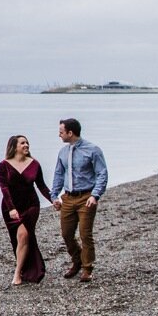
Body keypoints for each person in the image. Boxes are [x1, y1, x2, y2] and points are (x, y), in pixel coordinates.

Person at [51, 117, 108, 282]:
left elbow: (102, 174)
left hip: (86, 197)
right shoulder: (63, 152)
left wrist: (95, 195)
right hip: (68, 198)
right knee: (66, 234)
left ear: (70, 132)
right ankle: (77, 260)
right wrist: (54, 196)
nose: (59, 135)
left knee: (85, 234)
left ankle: (87, 268)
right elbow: (58, 174)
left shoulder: (93, 150)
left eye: (61, 132)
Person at [0, 134, 51, 285]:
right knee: (20, 239)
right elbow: (4, 188)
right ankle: (28, 268)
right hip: (11, 207)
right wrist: (11, 209)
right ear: (14, 146)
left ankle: (17, 274)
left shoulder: (34, 164)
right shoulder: (4, 165)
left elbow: (42, 186)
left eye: (27, 143)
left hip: (31, 205)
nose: (26, 145)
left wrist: (54, 199)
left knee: (23, 235)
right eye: (22, 143)